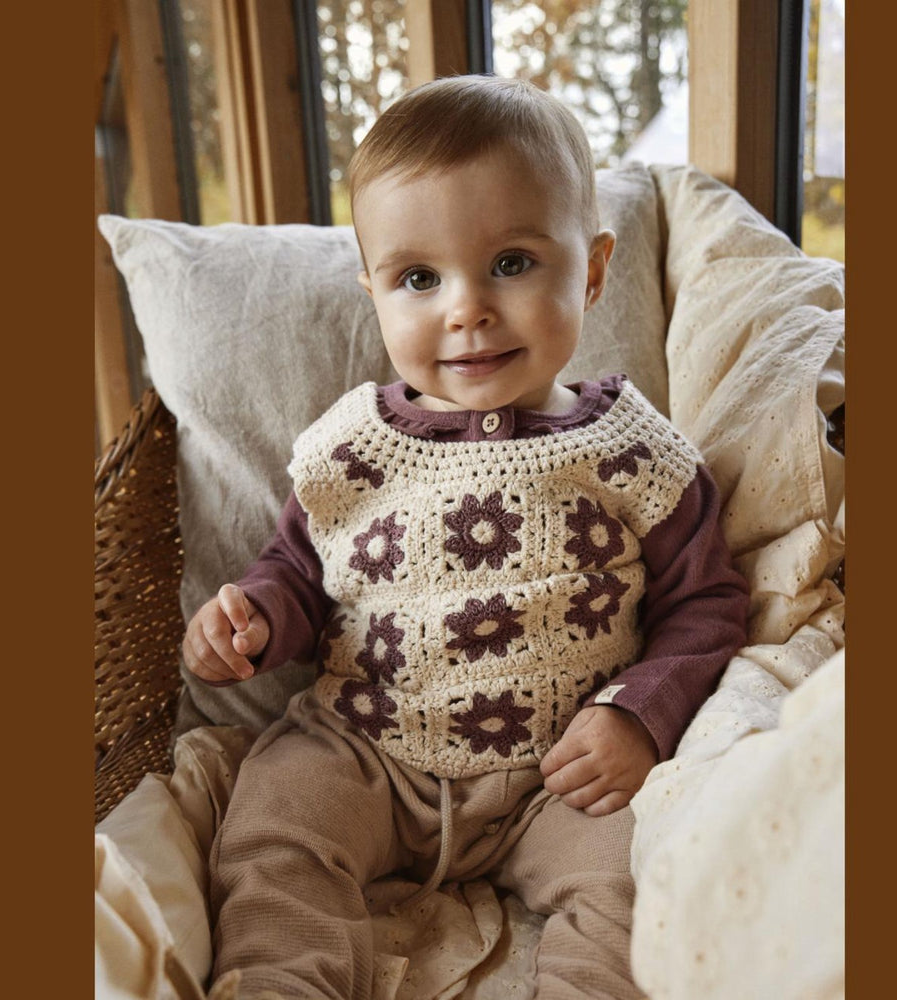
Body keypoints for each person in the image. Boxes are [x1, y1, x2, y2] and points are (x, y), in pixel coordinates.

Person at [185, 75, 750, 1000]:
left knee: (639, 877)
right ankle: (285, 982)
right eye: (419, 279)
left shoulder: (634, 452)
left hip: (561, 775)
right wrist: (251, 621)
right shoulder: (349, 448)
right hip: (366, 749)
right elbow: (295, 571)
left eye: (512, 263)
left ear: (593, 270)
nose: (467, 309)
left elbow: (709, 603)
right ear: (373, 292)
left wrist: (639, 713)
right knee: (274, 833)